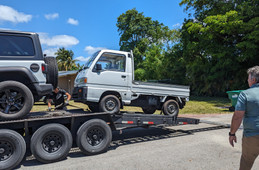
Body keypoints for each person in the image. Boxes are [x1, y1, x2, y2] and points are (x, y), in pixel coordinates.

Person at [229, 66, 259, 170]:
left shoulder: (245, 94)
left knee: (246, 163)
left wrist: (232, 133)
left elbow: (238, 116)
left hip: (252, 137)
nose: (247, 80)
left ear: (253, 79)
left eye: (248, 78)